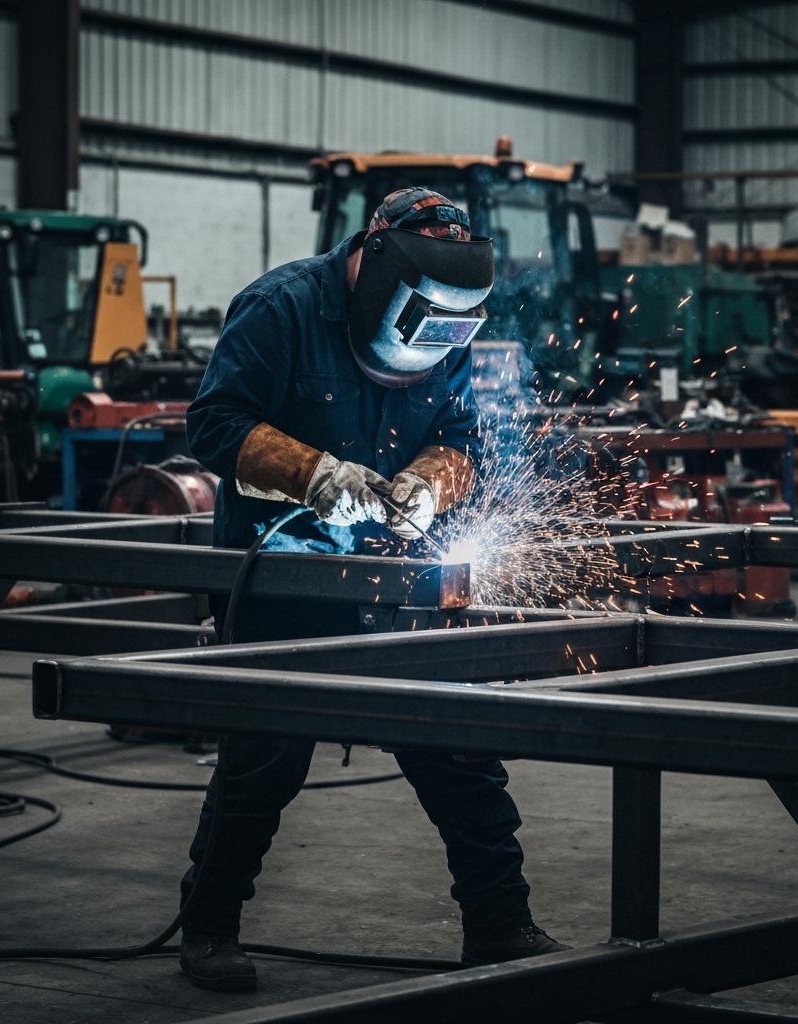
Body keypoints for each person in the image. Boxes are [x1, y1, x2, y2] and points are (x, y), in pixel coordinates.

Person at [180, 188, 569, 992]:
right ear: (374, 259)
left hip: (397, 574)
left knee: (459, 746)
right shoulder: (280, 307)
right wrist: (313, 474)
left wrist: (431, 482)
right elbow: (214, 423)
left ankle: (499, 925)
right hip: (279, 574)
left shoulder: (451, 322)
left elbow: (460, 437)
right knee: (264, 761)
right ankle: (208, 926)